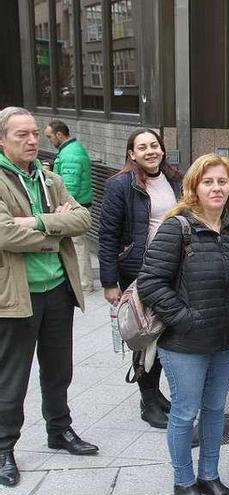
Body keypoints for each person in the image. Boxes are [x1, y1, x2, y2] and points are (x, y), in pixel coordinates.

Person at [137, 153, 229, 495]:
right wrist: (185, 318)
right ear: (194, 186)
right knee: (185, 411)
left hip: (227, 338)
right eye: (208, 181)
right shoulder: (178, 227)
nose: (216, 188)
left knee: (215, 409)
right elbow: (150, 282)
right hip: (185, 343)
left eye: (222, 182)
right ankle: (183, 481)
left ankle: (209, 475)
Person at [0, 107, 96, 488]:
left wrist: (37, 222)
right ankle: (4, 447)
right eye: (21, 134)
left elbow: (83, 219)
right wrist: (56, 228)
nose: (32, 140)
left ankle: (60, 430)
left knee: (59, 369)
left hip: (58, 289)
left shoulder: (49, 176)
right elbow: (4, 234)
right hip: (16, 296)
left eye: (35, 133)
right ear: (2, 140)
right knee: (12, 377)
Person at [99, 128, 182, 428]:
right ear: (131, 153)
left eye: (155, 146)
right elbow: (107, 235)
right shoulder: (120, 185)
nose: (151, 151)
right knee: (145, 332)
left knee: (164, 332)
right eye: (143, 147)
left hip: (174, 268)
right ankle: (148, 401)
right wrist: (109, 282)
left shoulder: (176, 179)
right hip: (140, 271)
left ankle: (154, 392)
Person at [43, 120, 94, 293]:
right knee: (78, 245)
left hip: (74, 208)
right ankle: (82, 282)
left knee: (78, 246)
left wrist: (62, 209)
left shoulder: (70, 154)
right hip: (78, 205)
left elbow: (69, 187)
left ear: (59, 135)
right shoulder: (70, 150)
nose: (49, 140)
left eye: (49, 136)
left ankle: (84, 283)